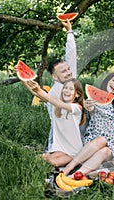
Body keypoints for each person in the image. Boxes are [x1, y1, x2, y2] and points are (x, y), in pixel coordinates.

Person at [62, 73, 114, 175]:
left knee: (105, 151)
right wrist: (89, 107)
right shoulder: (93, 97)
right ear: (107, 80)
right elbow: (90, 112)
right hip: (94, 137)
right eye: (113, 80)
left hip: (112, 143)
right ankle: (69, 167)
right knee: (102, 139)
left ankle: (77, 175)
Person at [23, 78, 86, 167]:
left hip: (74, 152)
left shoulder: (77, 108)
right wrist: (22, 78)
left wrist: (39, 90)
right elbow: (35, 93)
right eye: (65, 88)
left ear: (77, 94)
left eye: (71, 89)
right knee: (41, 158)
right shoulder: (56, 105)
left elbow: (59, 104)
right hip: (60, 148)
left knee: (53, 162)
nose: (67, 90)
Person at [46, 19, 79, 151]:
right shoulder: (56, 91)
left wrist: (69, 32)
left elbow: (71, 56)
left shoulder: (70, 81)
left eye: (68, 69)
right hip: (61, 133)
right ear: (54, 76)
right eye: (63, 71)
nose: (68, 72)